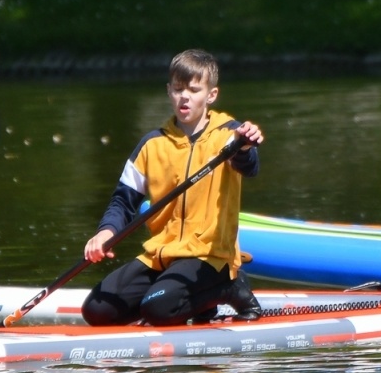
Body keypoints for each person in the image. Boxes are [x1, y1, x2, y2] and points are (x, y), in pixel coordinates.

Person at [80, 49, 265, 326]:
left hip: (210, 256)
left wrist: (245, 145)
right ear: (169, 92)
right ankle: (191, 303)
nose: (184, 97)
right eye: (178, 89)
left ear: (211, 95)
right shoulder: (152, 144)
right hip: (162, 255)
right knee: (97, 309)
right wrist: (105, 233)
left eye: (193, 89)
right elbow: (123, 201)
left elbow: (249, 166)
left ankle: (230, 286)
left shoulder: (230, 134)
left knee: (158, 308)